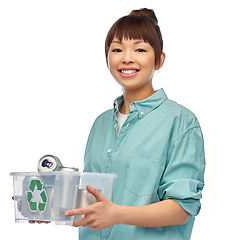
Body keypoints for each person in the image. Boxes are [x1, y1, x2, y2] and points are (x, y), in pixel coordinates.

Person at [64, 8, 205, 240]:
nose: (127, 58)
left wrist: (117, 215)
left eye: (140, 49)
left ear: (159, 60)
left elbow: (182, 209)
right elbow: (93, 199)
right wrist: (51, 206)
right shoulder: (100, 123)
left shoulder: (180, 122)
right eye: (117, 49)